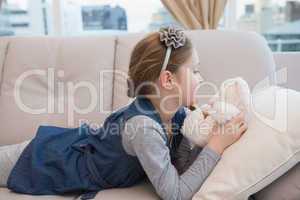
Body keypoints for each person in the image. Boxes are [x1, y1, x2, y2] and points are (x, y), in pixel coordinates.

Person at [0, 27, 247, 200]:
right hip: (49, 159)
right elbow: (175, 194)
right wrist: (216, 147)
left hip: (67, 149)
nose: (200, 78)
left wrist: (198, 137)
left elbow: (178, 167)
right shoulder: (144, 128)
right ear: (168, 79)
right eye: (194, 70)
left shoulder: (177, 114)